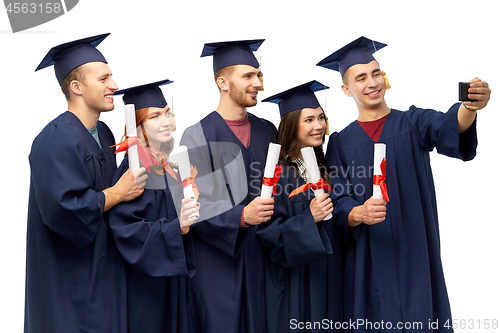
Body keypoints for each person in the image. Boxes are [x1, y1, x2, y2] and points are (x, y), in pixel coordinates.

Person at [317, 36, 491, 332]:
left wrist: (470, 106)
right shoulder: (340, 143)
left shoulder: (412, 123)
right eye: (361, 78)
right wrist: (357, 213)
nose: (372, 82)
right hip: (367, 259)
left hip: (415, 250)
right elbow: (339, 196)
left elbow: (450, 124)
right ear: (346, 89)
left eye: (376, 73)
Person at [26, 33, 147, 333]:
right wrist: (116, 194)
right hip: (71, 285)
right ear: (77, 87)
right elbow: (63, 211)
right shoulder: (55, 139)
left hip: (106, 278)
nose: (115, 86)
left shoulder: (103, 134)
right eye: (104, 79)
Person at [179, 39, 276, 333]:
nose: (258, 83)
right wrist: (241, 217)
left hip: (263, 260)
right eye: (248, 76)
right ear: (222, 82)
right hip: (216, 267)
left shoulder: (267, 130)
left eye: (258, 75)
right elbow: (191, 207)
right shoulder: (196, 135)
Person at [108, 79, 199, 333]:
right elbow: (126, 230)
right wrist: (175, 228)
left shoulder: (167, 164)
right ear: (138, 125)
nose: (166, 122)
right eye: (155, 116)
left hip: (170, 278)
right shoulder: (134, 169)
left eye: (167, 113)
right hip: (146, 287)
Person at [256, 80, 345, 332]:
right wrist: (310, 218)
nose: (318, 126)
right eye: (308, 120)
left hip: (332, 275)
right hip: (298, 282)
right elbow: (268, 233)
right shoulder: (278, 174)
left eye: (321, 118)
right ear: (291, 124)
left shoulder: (328, 167)